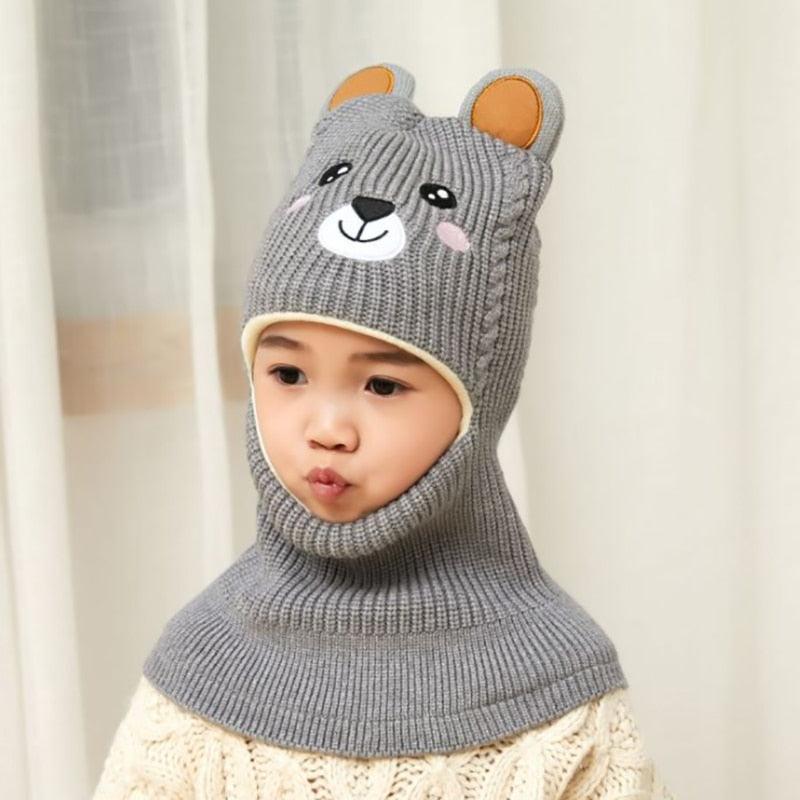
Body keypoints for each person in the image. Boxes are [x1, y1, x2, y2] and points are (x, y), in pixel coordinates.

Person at [93, 63, 676, 799]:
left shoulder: (560, 694)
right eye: (287, 374)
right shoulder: (199, 665)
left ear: (477, 402)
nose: (327, 429)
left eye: (383, 385)